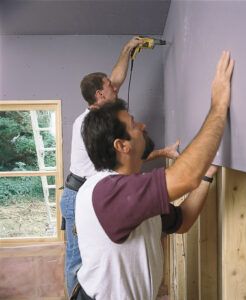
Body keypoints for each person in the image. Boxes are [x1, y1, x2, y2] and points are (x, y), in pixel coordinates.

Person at [74, 51, 234, 299]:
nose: (142, 127)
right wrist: (218, 106)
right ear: (122, 145)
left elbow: (182, 220)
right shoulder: (106, 193)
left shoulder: (133, 194)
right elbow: (185, 177)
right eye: (134, 124)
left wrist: (207, 175)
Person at [60, 36, 179, 297]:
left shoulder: (100, 113)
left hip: (87, 192)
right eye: (111, 88)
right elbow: (126, 152)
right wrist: (164, 153)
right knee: (77, 261)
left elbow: (116, 77)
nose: (116, 89)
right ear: (100, 95)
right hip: (77, 194)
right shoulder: (89, 125)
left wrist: (128, 48)